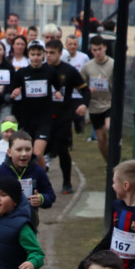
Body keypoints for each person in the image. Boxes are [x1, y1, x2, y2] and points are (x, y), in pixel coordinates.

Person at [0, 130, 54, 230]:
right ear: (9, 152)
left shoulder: (37, 171)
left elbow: (50, 196)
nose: (24, 154)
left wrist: (41, 199)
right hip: (2, 225)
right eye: (19, 150)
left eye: (28, 149)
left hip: (28, 225)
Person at [45, 38, 89, 194]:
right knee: (41, 149)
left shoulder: (68, 71)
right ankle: (39, 184)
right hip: (44, 115)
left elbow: (85, 90)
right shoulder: (42, 69)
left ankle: (67, 182)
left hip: (63, 115)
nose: (48, 56)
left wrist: (84, 104)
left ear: (59, 53)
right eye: (46, 52)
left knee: (62, 150)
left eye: (52, 53)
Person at [10, 40, 58, 169]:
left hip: (44, 119)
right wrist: (13, 93)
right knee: (27, 155)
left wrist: (59, 94)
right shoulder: (21, 73)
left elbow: (60, 89)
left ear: (43, 55)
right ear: (28, 55)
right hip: (27, 119)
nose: (36, 57)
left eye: (38, 54)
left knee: (37, 153)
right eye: (33, 54)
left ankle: (43, 180)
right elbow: (11, 92)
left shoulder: (50, 72)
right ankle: (33, 178)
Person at [81, 35, 114, 161]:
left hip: (109, 103)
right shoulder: (88, 66)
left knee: (109, 126)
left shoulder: (112, 64)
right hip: (95, 106)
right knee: (100, 138)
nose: (97, 52)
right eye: (94, 50)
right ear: (91, 50)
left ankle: (116, 148)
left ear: (105, 48)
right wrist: (86, 90)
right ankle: (109, 162)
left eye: (99, 49)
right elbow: (80, 83)